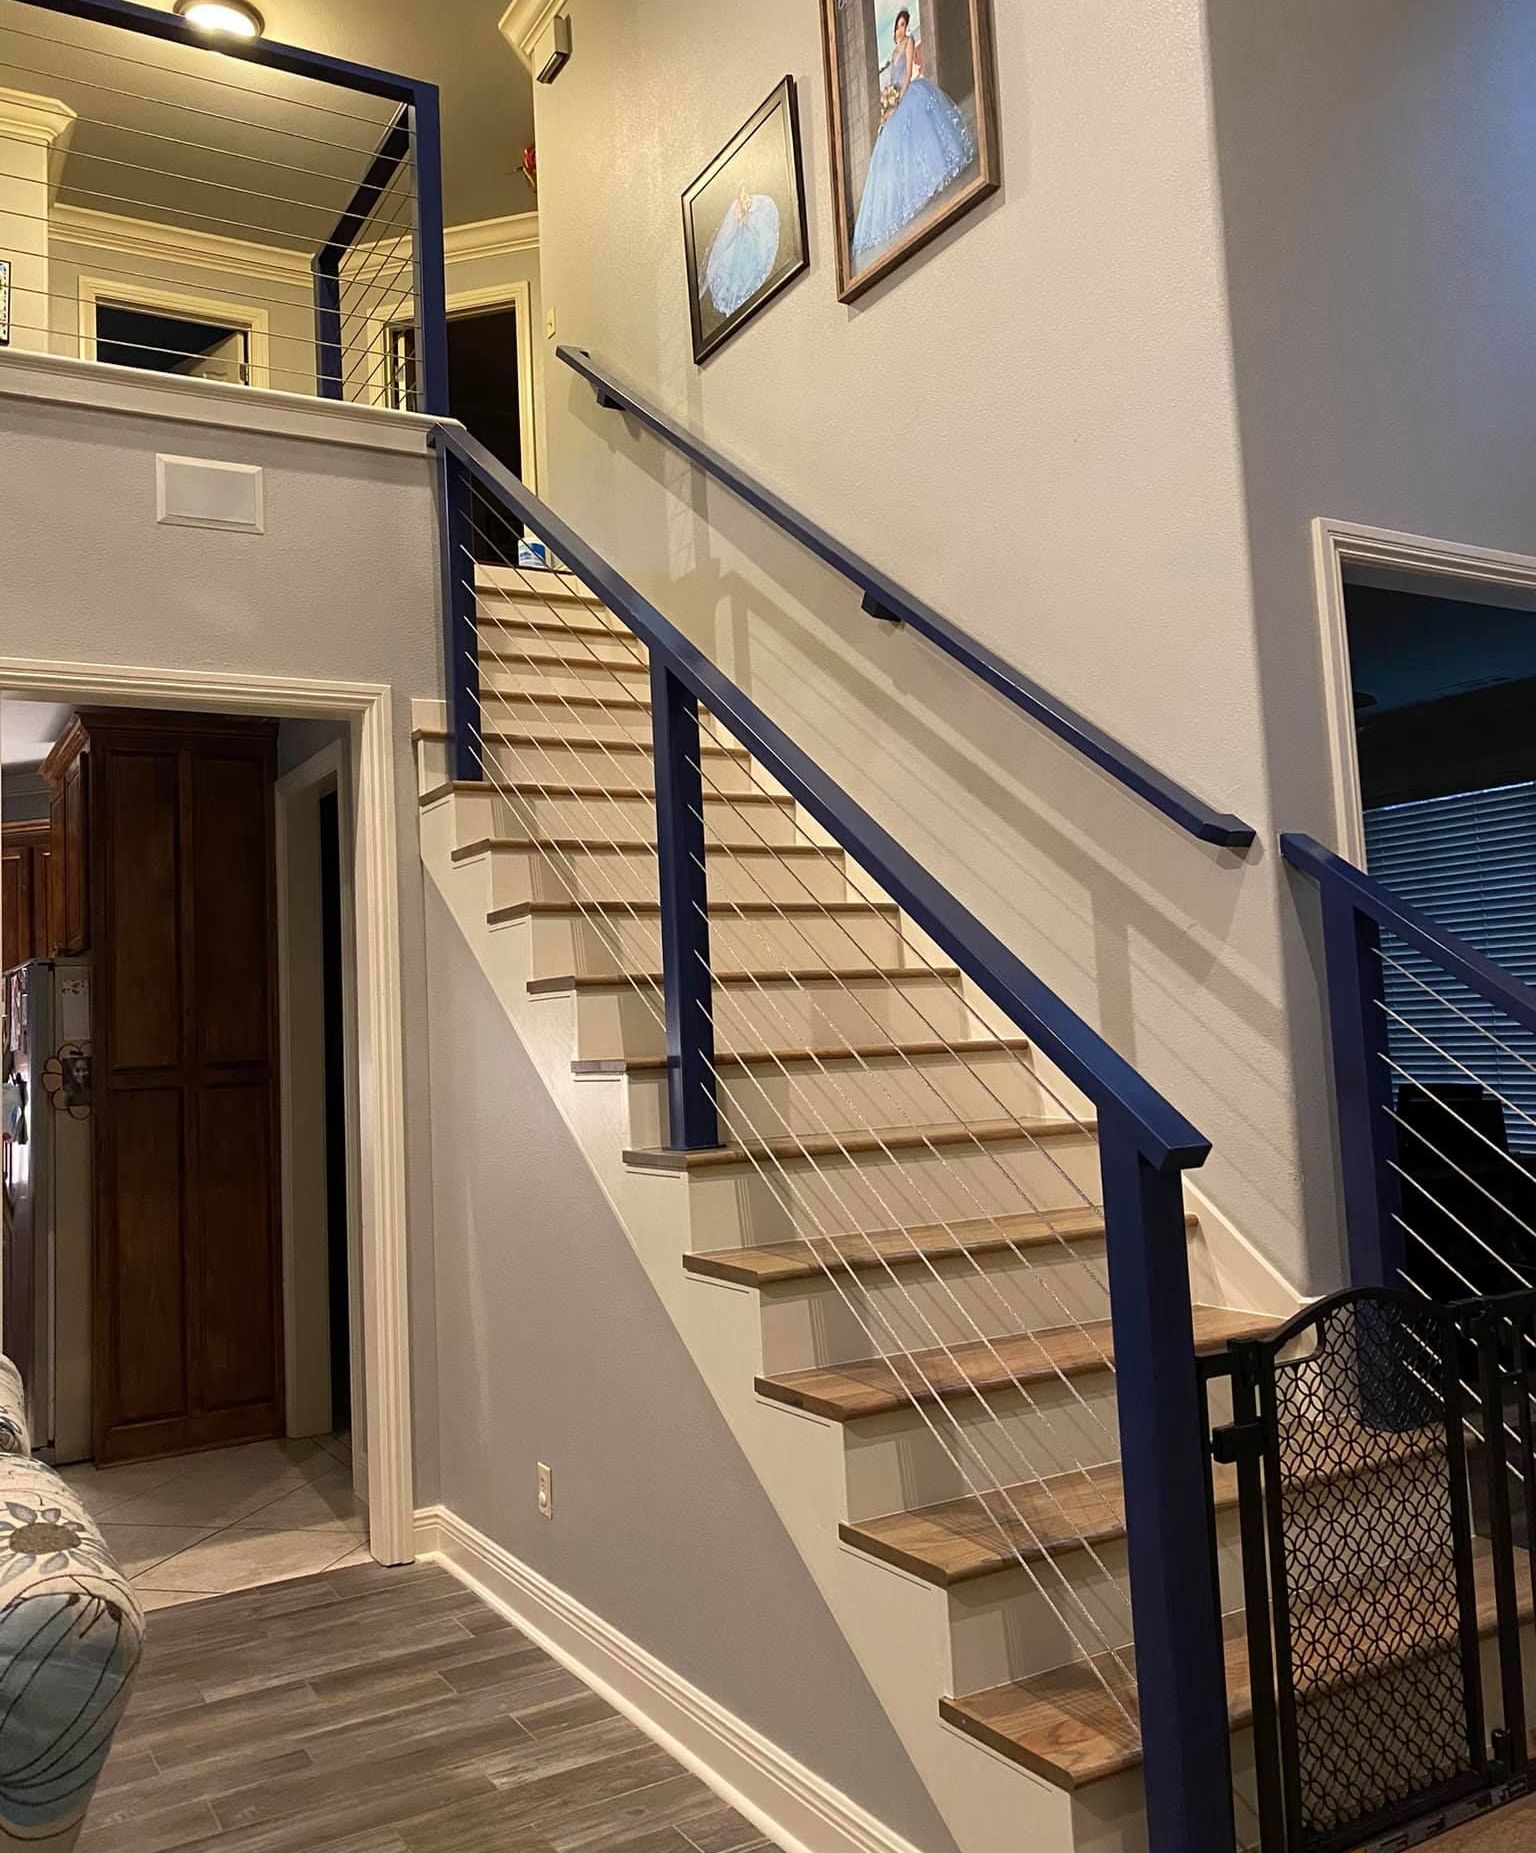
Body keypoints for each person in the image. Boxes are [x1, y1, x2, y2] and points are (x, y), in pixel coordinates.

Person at [851, 9, 975, 265]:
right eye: (898, 26)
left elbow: (907, 74)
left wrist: (899, 100)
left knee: (919, 136)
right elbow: (890, 83)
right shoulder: (892, 53)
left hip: (910, 94)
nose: (900, 30)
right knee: (890, 149)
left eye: (904, 25)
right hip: (895, 100)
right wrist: (888, 106)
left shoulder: (908, 44)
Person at [701, 183, 782, 319]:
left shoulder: (757, 204)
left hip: (749, 230)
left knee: (748, 260)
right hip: (740, 232)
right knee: (730, 262)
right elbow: (735, 223)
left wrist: (747, 210)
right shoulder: (735, 208)